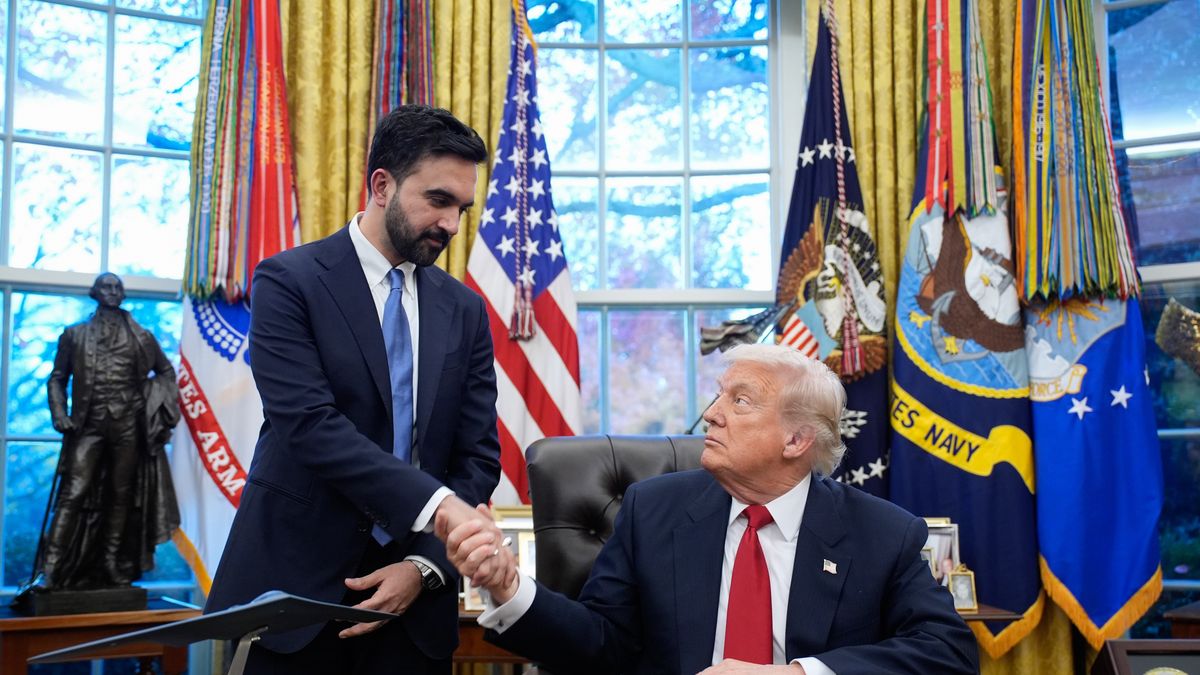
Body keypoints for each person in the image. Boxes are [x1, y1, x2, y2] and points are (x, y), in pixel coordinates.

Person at [447, 343, 979, 675]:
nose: (712, 414)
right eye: (719, 396)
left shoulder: (881, 533)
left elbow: (947, 653)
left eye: (739, 401)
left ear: (796, 440)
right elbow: (602, 643)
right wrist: (509, 587)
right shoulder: (653, 510)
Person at [205, 105, 513, 675]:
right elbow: (310, 427)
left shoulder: (465, 309)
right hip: (295, 598)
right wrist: (439, 507)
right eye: (438, 200)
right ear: (381, 185)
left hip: (414, 617)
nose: (451, 224)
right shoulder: (288, 281)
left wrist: (423, 567)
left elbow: (477, 457)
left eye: (461, 209)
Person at [39, 272, 180, 590]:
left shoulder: (142, 337)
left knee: (121, 495)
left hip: (127, 426)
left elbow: (166, 372)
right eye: (107, 287)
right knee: (73, 492)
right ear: (95, 292)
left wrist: (151, 402)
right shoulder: (74, 335)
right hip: (87, 425)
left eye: (118, 287)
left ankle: (110, 563)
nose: (113, 292)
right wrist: (60, 413)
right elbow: (57, 378)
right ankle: (50, 569)